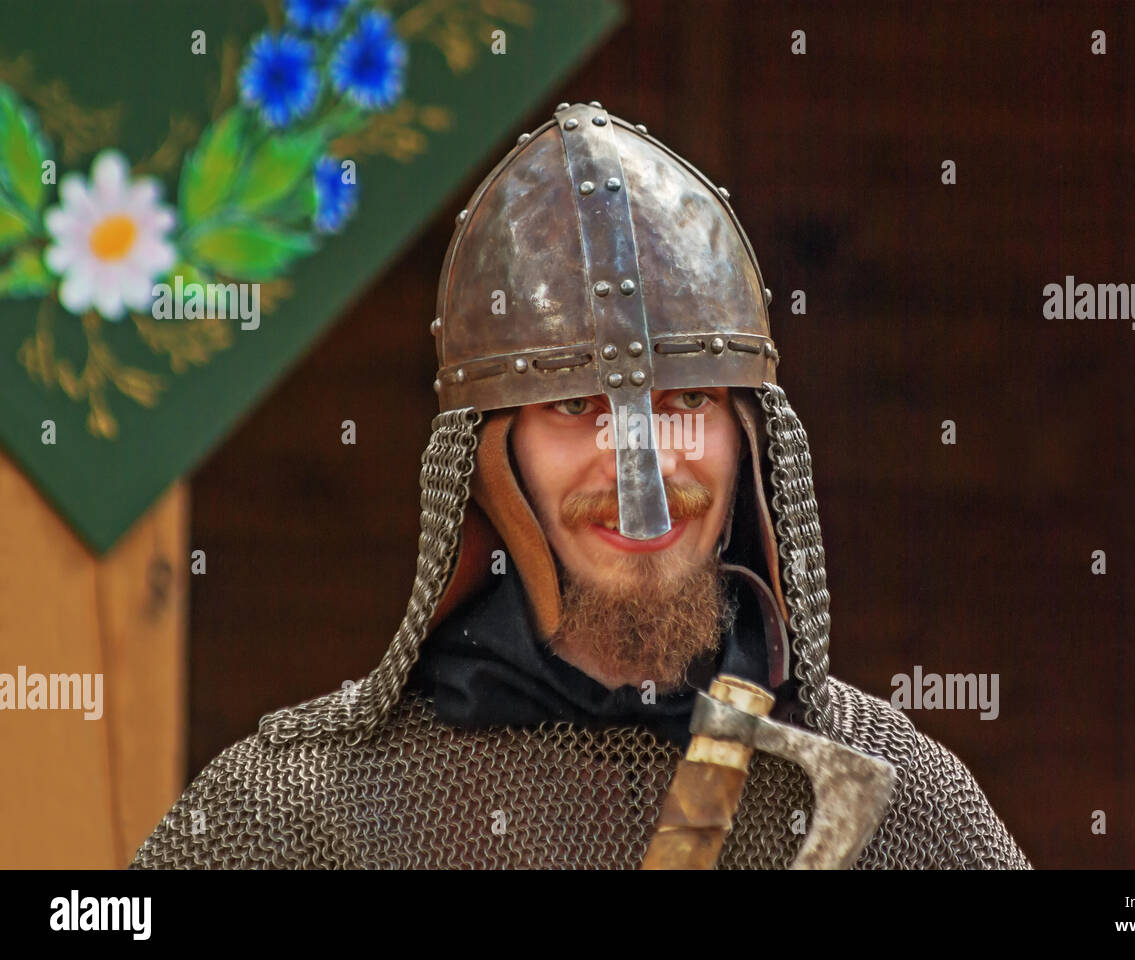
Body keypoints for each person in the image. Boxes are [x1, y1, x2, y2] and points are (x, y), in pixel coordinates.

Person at [131, 101, 1030, 869]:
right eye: (571, 406)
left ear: (749, 441)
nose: (638, 463)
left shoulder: (906, 816)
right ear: (491, 457)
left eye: (686, 399)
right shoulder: (302, 816)